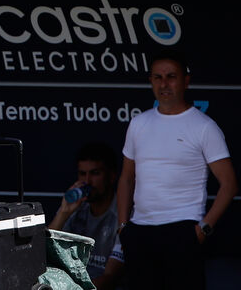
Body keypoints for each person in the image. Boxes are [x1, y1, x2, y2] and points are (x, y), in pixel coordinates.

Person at [117, 50, 238, 290]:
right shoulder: (139, 123)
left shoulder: (204, 127)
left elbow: (229, 184)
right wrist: (123, 226)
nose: (164, 84)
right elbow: (126, 178)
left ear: (186, 80)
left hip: (183, 230)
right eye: (157, 77)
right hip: (139, 232)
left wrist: (202, 229)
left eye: (171, 76)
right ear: (150, 81)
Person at [48, 142, 125, 290]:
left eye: (95, 173)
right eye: (83, 174)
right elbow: (44, 251)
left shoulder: (123, 212)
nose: (87, 181)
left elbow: (109, 278)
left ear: (111, 176)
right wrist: (64, 213)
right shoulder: (75, 208)